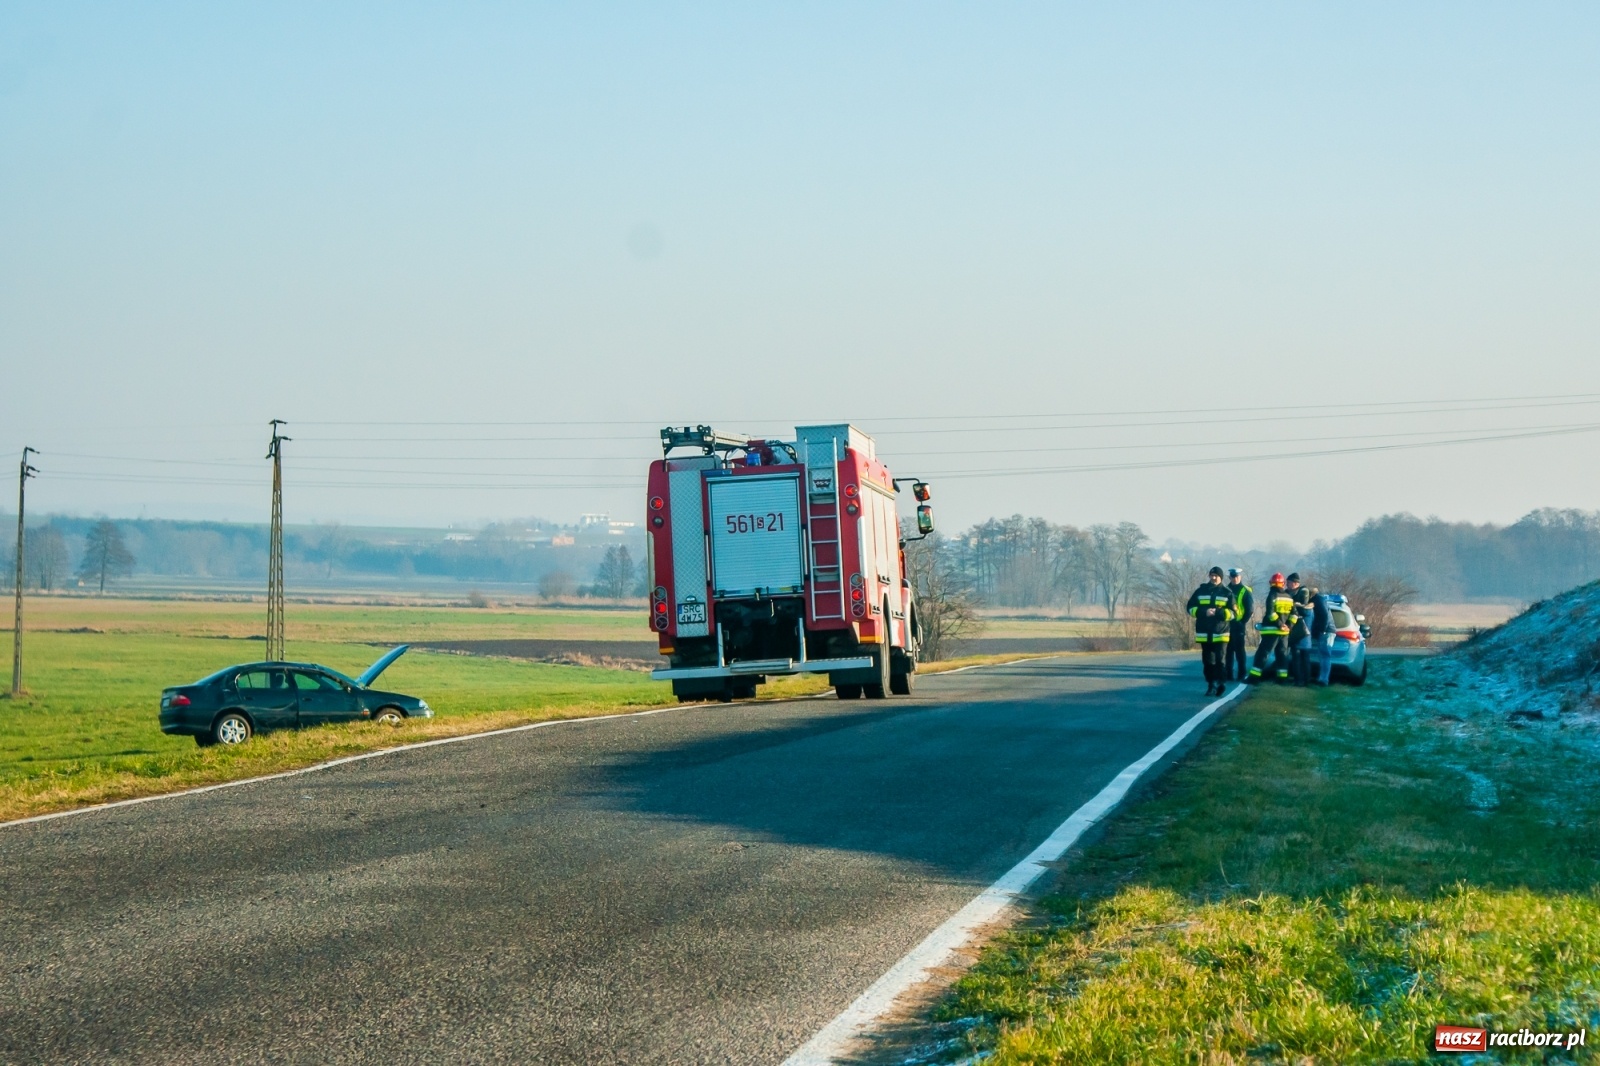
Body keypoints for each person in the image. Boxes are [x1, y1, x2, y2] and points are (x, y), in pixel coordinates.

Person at [1186, 566, 1236, 696]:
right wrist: (1204, 612)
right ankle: (1211, 684)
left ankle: (1221, 682)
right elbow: (1190, 608)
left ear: (1221, 577)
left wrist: (1219, 612)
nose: (1213, 578)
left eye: (1216, 576)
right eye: (1211, 575)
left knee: (1220, 659)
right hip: (1204, 632)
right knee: (1208, 661)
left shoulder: (1227, 593)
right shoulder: (1201, 591)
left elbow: (1234, 613)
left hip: (1221, 632)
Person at [1248, 573, 1294, 684]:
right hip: (1284, 633)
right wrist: (1288, 625)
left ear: (1271, 583)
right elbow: (1294, 614)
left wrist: (1279, 624)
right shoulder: (1289, 597)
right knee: (1282, 655)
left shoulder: (1272, 595)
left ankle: (1254, 678)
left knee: (1263, 653)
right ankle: (1282, 679)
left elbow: (1270, 614)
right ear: (1283, 584)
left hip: (1272, 631)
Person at [1225, 568, 1253, 681]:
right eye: (1232, 577)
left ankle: (1242, 674)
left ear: (1240, 577)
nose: (1234, 579)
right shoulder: (1225, 589)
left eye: (1236, 576)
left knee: (1240, 651)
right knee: (1228, 651)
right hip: (1226, 624)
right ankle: (1228, 674)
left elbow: (1250, 609)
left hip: (1239, 624)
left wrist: (1242, 622)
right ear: (1229, 577)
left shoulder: (1245, 590)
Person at [1287, 576, 1313, 686]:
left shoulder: (1298, 608)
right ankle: (1306, 680)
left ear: (1294, 583)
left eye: (1288, 583)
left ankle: (1298, 680)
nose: (1287, 585)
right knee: (1306, 659)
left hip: (1297, 635)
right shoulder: (1310, 609)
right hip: (1307, 636)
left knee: (1296, 659)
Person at [1311, 588, 1336, 685]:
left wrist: (1321, 630)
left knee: (1325, 656)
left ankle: (1323, 680)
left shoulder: (1319, 601)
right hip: (1327, 631)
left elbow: (1324, 616)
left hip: (1326, 631)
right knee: (1323, 656)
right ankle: (1322, 678)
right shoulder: (1320, 600)